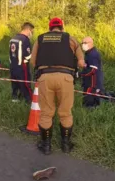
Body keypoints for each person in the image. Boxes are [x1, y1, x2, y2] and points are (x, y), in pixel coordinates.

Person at [29, 17, 86, 155]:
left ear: (50, 28)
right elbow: (81, 63)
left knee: (46, 113)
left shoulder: (40, 39)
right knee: (65, 112)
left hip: (45, 78)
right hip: (65, 78)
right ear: (62, 27)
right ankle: (66, 146)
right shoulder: (70, 39)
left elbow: (33, 61)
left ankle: (46, 146)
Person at [9, 22, 34, 103]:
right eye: (32, 31)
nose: (32, 33)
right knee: (26, 84)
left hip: (13, 65)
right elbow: (28, 55)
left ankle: (14, 99)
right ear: (28, 30)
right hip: (22, 66)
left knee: (15, 83)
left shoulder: (13, 38)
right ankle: (30, 101)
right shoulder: (25, 39)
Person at [79, 36, 105, 108]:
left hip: (92, 85)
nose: (83, 45)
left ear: (91, 43)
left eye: (85, 43)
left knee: (90, 105)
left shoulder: (93, 55)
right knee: (86, 103)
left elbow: (92, 70)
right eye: (82, 43)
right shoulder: (88, 53)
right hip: (88, 83)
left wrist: (80, 74)